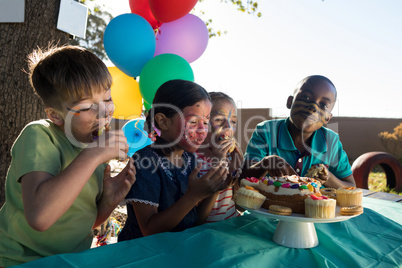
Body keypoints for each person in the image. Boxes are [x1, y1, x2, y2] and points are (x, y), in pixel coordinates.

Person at [0, 45, 136, 267]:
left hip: (71, 261)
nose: (105, 111)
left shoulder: (93, 149)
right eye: (87, 107)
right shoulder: (40, 135)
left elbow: (82, 223)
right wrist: (93, 155)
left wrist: (108, 202)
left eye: (108, 98)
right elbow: (41, 217)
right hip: (20, 260)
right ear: (55, 115)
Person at [118, 80, 230, 241]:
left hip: (177, 250)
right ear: (163, 121)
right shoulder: (145, 161)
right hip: (142, 255)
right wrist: (193, 196)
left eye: (205, 122)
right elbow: (149, 231)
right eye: (193, 122)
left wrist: (215, 187)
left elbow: (196, 221)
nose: (202, 130)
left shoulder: (189, 159)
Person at [242, 75, 355, 188]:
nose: (313, 107)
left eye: (323, 104)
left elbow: (351, 186)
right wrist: (266, 163)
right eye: (306, 97)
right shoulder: (266, 132)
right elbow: (243, 178)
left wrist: (328, 178)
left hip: (314, 205)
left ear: (328, 118)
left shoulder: (331, 141)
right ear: (290, 102)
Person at [195, 92, 243, 223]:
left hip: (231, 223)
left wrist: (235, 172)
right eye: (219, 120)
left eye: (233, 121)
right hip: (206, 230)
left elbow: (240, 205)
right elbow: (198, 218)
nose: (228, 126)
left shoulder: (230, 156)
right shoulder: (193, 161)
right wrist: (217, 168)